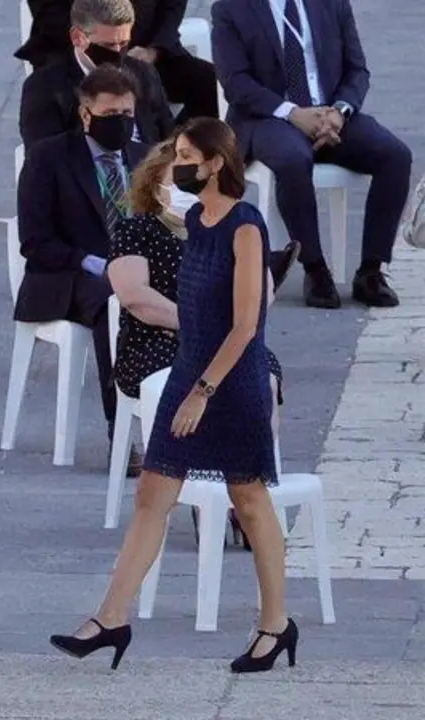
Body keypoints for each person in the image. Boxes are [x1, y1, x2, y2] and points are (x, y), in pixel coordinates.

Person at [51, 117, 297, 674]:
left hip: (231, 382)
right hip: (189, 373)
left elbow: (245, 325)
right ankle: (109, 618)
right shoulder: (198, 221)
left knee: (250, 502)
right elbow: (190, 311)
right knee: (151, 498)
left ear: (214, 163)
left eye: (188, 155)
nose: (177, 163)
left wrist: (203, 391)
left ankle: (275, 625)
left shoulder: (246, 227)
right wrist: (189, 383)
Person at [110, 140, 289, 536]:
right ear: (155, 187)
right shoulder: (138, 229)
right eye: (172, 178)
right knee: (194, 377)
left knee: (262, 374)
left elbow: (262, 296)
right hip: (157, 344)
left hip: (226, 343)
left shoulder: (230, 228)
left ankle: (242, 490)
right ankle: (201, 488)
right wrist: (202, 324)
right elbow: (136, 296)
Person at [211, 0, 411, 309]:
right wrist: (292, 113)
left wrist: (339, 112)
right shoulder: (231, 8)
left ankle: (371, 271)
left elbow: (357, 69)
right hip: (268, 116)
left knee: (396, 156)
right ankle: (315, 268)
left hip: (332, 113)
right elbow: (236, 82)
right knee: (292, 159)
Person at [16, 65, 148, 469]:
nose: (120, 124)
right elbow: (35, 242)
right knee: (116, 304)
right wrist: (98, 264)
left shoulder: (143, 157)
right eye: (110, 116)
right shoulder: (48, 157)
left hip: (134, 270)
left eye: (127, 115)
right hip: (69, 275)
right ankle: (121, 434)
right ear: (85, 114)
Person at [16, 0, 218, 124]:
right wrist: (96, 44)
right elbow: (50, 15)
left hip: (146, 51)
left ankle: (176, 153)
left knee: (213, 85)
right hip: (77, 51)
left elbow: (172, 6)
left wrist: (154, 49)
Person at [19, 0, 174, 146]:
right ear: (77, 37)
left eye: (124, 43)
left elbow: (168, 135)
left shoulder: (143, 73)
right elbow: (42, 157)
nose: (117, 52)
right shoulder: (45, 87)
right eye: (108, 45)